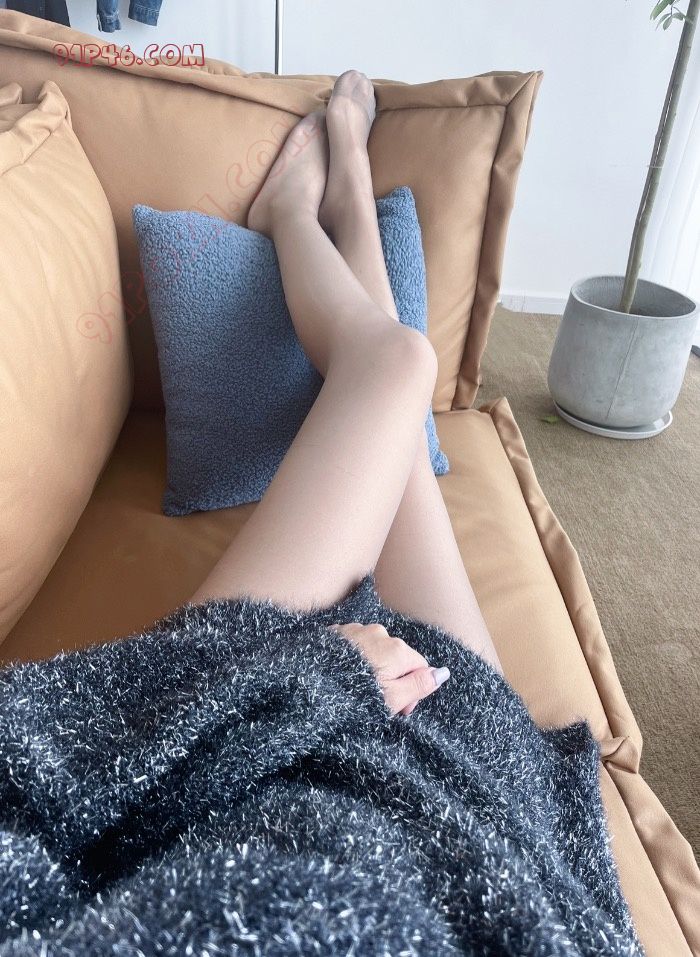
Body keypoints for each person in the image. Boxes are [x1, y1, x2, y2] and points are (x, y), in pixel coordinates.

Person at [190, 69, 503, 714]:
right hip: (475, 761)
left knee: (397, 367)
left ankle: (307, 211)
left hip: (221, 744)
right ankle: (336, 201)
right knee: (398, 389)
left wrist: (312, 685)